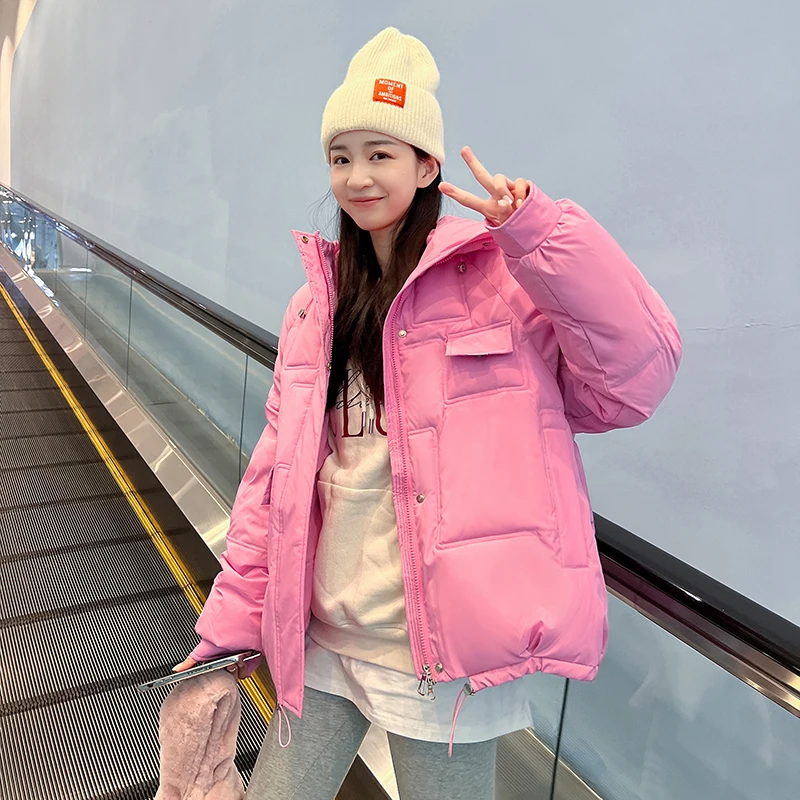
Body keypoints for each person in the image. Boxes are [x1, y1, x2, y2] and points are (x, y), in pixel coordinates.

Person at [172, 26, 682, 800]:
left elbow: (635, 379)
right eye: (341, 157)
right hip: (323, 638)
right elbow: (272, 481)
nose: (357, 178)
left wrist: (542, 238)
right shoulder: (316, 308)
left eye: (380, 154)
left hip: (442, 662)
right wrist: (228, 627)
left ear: (427, 166)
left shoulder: (501, 288)